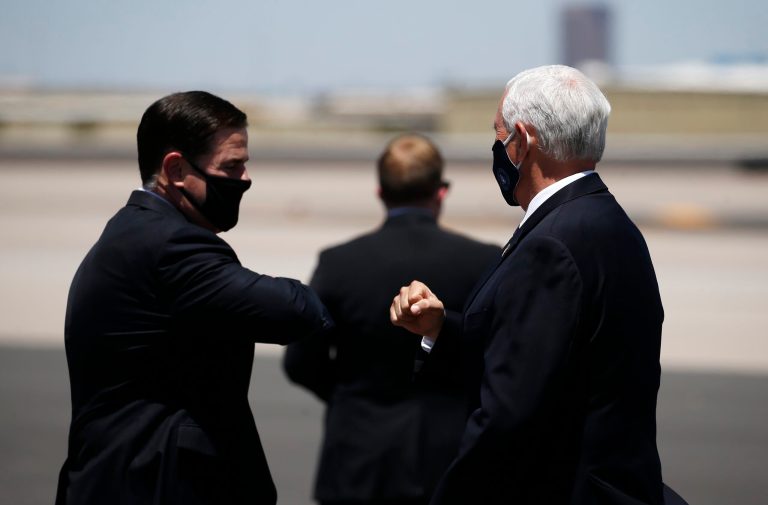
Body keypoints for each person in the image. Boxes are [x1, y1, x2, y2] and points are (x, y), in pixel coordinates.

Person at [390, 66, 675, 505]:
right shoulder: (605, 220)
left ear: (521, 141)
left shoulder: (552, 245)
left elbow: (510, 413)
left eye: (499, 134)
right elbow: (548, 354)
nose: (497, 148)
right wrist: (441, 328)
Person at [55, 91, 333, 505]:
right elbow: (292, 312)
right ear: (177, 168)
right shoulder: (170, 245)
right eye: (231, 166)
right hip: (155, 483)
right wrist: (334, 287)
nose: (244, 180)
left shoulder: (134, 231)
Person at [283, 133, 500, 505]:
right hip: (450, 455)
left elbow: (300, 361)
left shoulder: (339, 262)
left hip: (359, 456)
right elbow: (496, 356)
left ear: (380, 193)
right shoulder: (483, 260)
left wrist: (351, 395)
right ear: (441, 191)